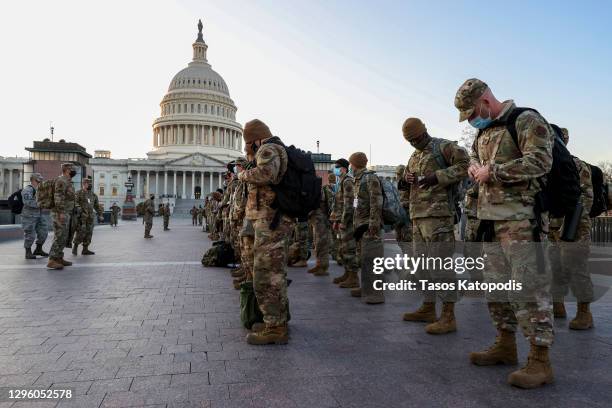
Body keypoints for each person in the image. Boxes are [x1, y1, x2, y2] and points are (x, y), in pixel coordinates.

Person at [455, 78, 554, 388]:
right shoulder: (483, 132)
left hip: (520, 221)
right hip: (489, 221)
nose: (472, 120)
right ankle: (505, 344)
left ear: (486, 100)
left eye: (472, 113)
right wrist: (474, 166)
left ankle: (540, 360)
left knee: (528, 288)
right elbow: (474, 157)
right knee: (496, 288)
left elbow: (541, 162)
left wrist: (493, 172)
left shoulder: (526, 120)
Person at [400, 117, 469, 334]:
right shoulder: (414, 155)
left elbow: (466, 166)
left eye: (416, 139)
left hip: (439, 217)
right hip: (418, 217)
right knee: (421, 267)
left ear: (424, 132)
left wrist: (437, 177)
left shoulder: (444, 147)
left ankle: (448, 316)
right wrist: (407, 178)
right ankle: (428, 307)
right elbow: (406, 182)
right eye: (410, 141)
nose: (414, 143)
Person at [236, 119, 293, 345]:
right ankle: (276, 321)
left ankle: (275, 327)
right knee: (271, 273)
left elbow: (266, 174)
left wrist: (242, 174)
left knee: (267, 274)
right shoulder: (273, 148)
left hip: (272, 222)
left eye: (248, 144)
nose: (248, 149)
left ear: (254, 140)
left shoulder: (269, 149)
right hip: (270, 221)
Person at [550, 128, 594, 330]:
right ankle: (557, 305)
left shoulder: (576, 165)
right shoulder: (544, 163)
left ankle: (584, 312)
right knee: (553, 267)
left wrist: (571, 223)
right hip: (550, 225)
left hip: (574, 225)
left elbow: (585, 199)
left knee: (576, 268)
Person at [349, 152, 385, 304]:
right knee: (364, 259)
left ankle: (376, 294)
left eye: (351, 163)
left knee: (373, 259)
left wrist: (373, 224)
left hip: (369, 226)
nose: (350, 166)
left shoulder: (370, 177)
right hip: (360, 226)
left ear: (354, 164)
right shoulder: (358, 179)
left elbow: (376, 202)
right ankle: (366, 288)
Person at [330, 158, 360, 288]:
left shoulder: (347, 181)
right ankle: (347, 273)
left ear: (343, 168)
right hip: (341, 220)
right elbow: (339, 203)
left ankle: (353, 277)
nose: (335, 169)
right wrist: (336, 220)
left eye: (337, 167)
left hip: (347, 222)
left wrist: (343, 221)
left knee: (349, 249)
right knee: (343, 249)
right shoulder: (342, 181)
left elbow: (349, 204)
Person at [47, 163, 76, 270]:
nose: (74, 171)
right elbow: (58, 197)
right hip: (60, 213)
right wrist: (61, 212)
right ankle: (52, 260)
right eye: (72, 169)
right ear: (67, 170)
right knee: (59, 236)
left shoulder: (68, 182)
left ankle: (59, 257)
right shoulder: (61, 181)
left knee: (63, 236)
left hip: (66, 213)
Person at [72, 176, 103, 255]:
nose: (90, 185)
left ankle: (85, 249)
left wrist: (100, 214)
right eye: (88, 183)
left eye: (90, 183)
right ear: (84, 184)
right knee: (80, 232)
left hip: (90, 218)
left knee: (89, 233)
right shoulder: (78, 193)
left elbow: (96, 206)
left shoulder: (93, 195)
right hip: (81, 217)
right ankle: (75, 247)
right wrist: (79, 209)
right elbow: (75, 202)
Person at [22, 173, 49, 259]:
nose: (40, 181)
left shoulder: (39, 190)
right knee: (30, 234)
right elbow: (27, 202)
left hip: (39, 214)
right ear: (33, 180)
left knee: (44, 232)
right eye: (39, 180)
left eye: (41, 180)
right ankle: (28, 252)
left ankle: (38, 249)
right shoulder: (27, 190)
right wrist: (41, 204)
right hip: (29, 216)